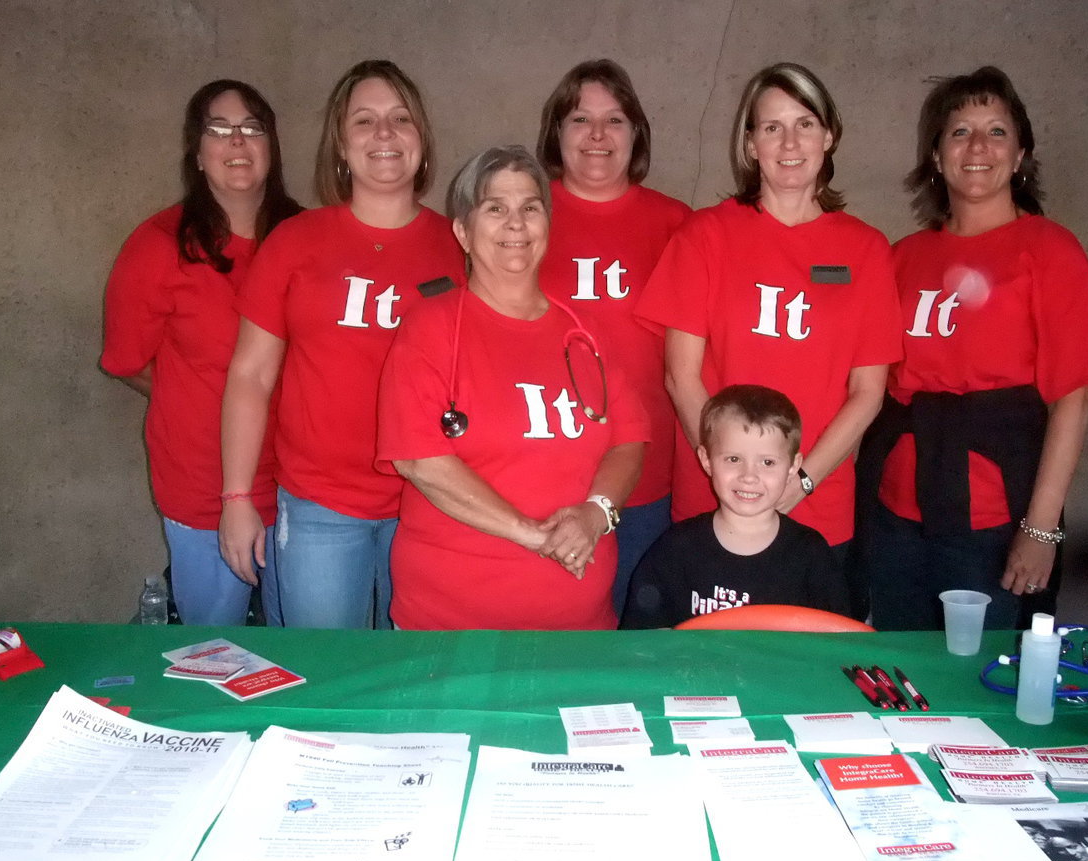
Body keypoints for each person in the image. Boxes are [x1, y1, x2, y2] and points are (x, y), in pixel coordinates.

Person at [857, 66, 1088, 631]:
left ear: (1021, 153)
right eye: (959, 131)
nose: (978, 146)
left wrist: (1041, 528)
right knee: (902, 673)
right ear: (936, 156)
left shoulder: (1049, 250)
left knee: (979, 680)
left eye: (996, 131)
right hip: (893, 513)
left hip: (992, 520)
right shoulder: (902, 256)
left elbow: (1073, 398)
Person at [636, 63, 901, 615]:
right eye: (771, 126)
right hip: (715, 504)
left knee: (811, 684)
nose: (789, 142)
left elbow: (868, 392)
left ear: (829, 136)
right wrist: (727, 473)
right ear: (750, 143)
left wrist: (800, 481)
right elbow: (680, 375)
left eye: (805, 124)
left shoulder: (867, 249)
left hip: (819, 503)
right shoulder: (703, 236)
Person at [219, 60, 464, 629]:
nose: (384, 133)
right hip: (319, 508)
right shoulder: (295, 242)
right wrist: (235, 500)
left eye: (400, 118)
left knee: (413, 676)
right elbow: (250, 376)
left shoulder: (461, 245)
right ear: (341, 146)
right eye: (364, 121)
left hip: (431, 503)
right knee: (326, 677)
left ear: (422, 141)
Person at [376, 145, 649, 629]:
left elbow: (628, 439)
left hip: (579, 624)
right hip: (447, 625)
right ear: (462, 230)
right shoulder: (430, 328)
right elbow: (419, 460)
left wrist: (595, 515)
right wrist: (536, 536)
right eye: (495, 208)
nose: (516, 224)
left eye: (531, 207)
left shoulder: (586, 332)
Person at [101, 79, 301, 626]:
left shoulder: (304, 237)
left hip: (306, 487)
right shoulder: (158, 245)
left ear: (271, 145)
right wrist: (196, 394)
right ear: (197, 150)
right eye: (219, 129)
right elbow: (124, 360)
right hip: (205, 483)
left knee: (306, 651)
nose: (236, 142)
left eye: (252, 128)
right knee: (215, 655)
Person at [536, 59, 690, 618]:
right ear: (556, 132)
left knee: (638, 638)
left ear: (637, 134)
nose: (597, 135)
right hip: (542, 474)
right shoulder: (524, 214)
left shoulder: (677, 224)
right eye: (580, 118)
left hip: (648, 478)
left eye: (615, 120)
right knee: (554, 641)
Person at [622, 385, 848, 629]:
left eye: (768, 462)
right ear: (706, 460)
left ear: (793, 467)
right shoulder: (675, 550)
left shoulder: (811, 556)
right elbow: (642, 642)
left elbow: (836, 646)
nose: (749, 476)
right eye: (733, 459)